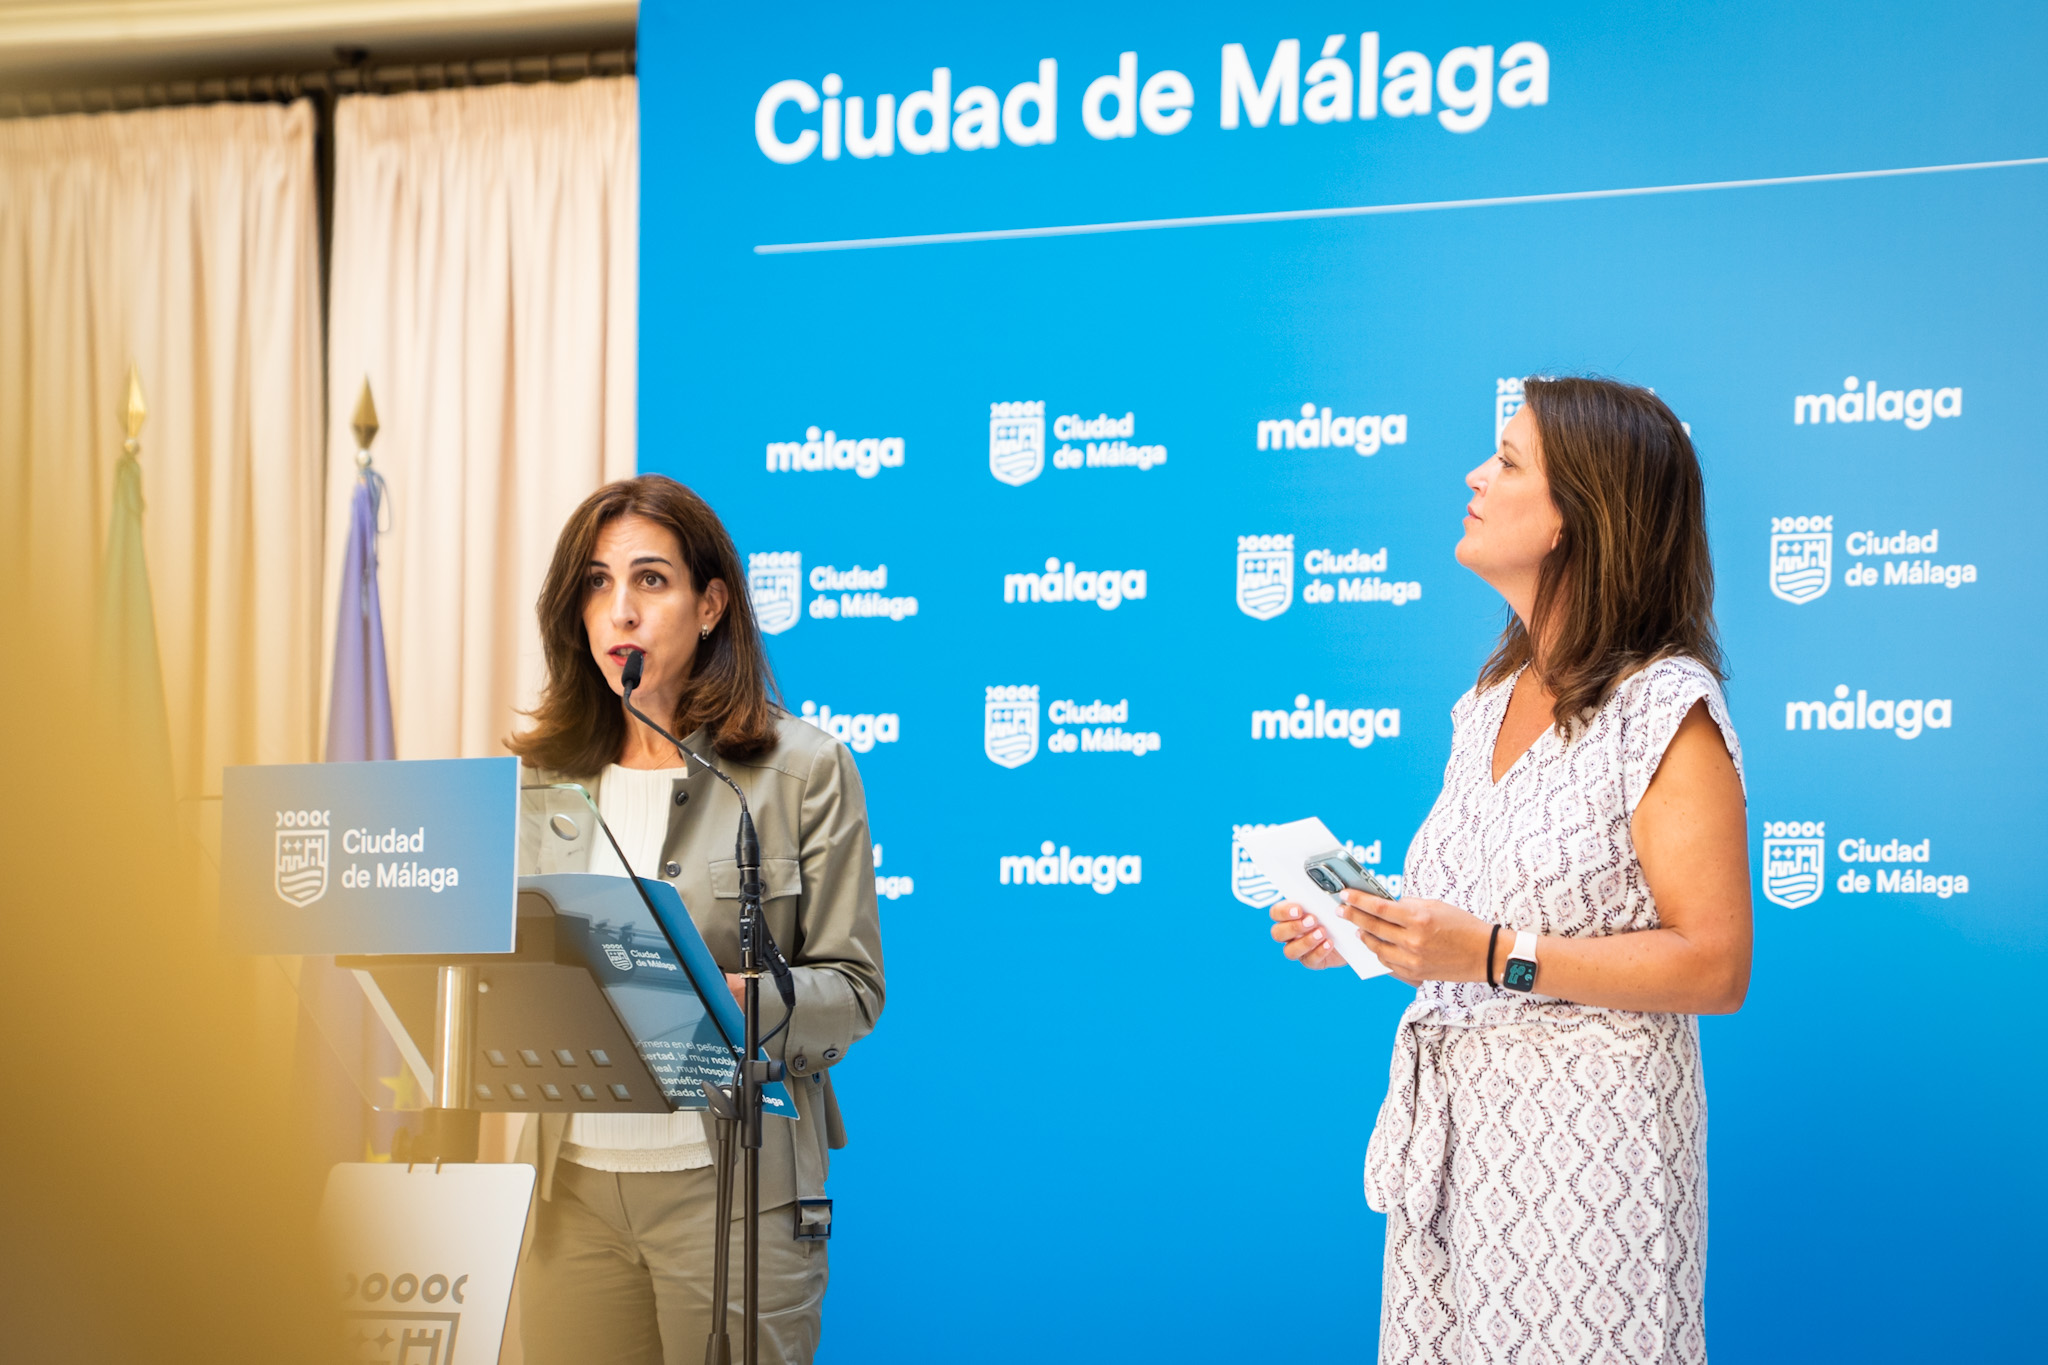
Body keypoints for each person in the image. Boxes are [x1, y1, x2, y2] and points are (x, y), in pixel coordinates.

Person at [1269, 377, 1751, 1365]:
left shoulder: (1666, 708)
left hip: (1593, 1172)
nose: (1473, 476)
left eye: (1507, 461)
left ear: (1576, 516)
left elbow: (1714, 964)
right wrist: (1375, 931)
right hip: (1455, 1163)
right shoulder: (1488, 698)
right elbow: (1480, 928)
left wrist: (1490, 954)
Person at [509, 474, 885, 1365]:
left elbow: (854, 988)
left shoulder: (803, 770)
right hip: (570, 1195)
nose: (620, 611)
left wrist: (738, 1002)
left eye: (651, 579)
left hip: (736, 1190)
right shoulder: (542, 779)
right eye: (596, 583)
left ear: (711, 604)